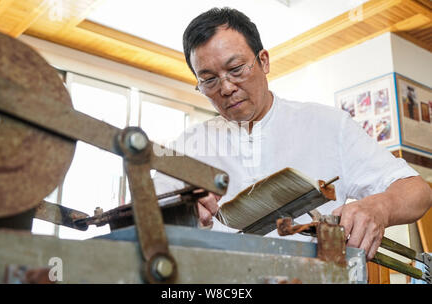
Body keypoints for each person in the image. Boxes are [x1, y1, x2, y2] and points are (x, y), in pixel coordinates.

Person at [154, 7, 432, 260]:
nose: (225, 88)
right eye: (209, 80)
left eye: (236, 69)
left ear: (263, 61)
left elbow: (418, 192)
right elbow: (142, 225)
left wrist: (379, 207)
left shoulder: (328, 125)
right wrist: (178, 215)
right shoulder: (185, 148)